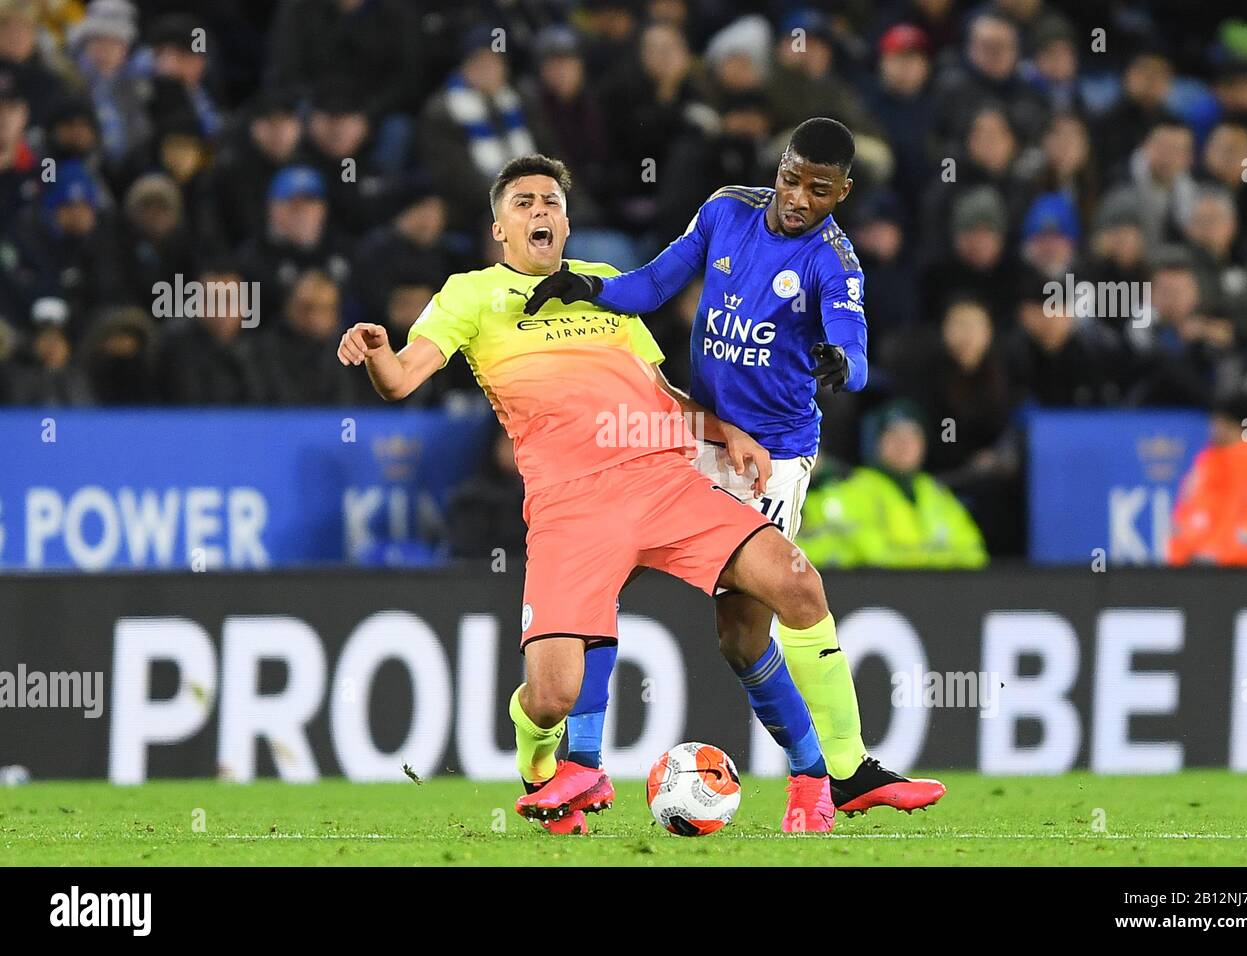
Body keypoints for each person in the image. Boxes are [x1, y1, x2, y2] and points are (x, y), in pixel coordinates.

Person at [338, 154, 846, 835]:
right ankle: (544, 763)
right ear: (499, 228)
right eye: (523, 203)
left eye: (550, 201)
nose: (540, 211)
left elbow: (662, 393)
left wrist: (730, 434)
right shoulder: (470, 294)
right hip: (570, 503)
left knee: (796, 583)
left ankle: (818, 778)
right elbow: (400, 380)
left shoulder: (604, 285)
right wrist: (375, 349)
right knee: (549, 696)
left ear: (567, 221)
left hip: (664, 481)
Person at [525, 118, 946, 819]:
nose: (796, 197)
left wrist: (842, 364)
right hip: (693, 433)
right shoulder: (727, 210)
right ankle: (582, 765)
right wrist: (587, 290)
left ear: (840, 194)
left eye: (817, 189)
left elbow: (857, 350)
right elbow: (657, 282)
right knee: (598, 567)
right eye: (789, 177)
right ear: (778, 167)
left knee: (743, 634)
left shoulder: (833, 262)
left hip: (769, 461)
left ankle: (822, 775)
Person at [798, 402, 987, 569]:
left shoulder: (937, 493)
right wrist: (932, 561)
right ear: (877, 442)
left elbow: (974, 555)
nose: (904, 444)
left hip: (938, 598)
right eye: (894, 435)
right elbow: (864, 554)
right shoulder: (852, 488)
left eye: (913, 435)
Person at [1167, 391, 1247, 566]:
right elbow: (1181, 531)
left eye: (1220, 422)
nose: (1213, 429)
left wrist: (1214, 559)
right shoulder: (1203, 473)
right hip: (1193, 584)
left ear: (1237, 427)